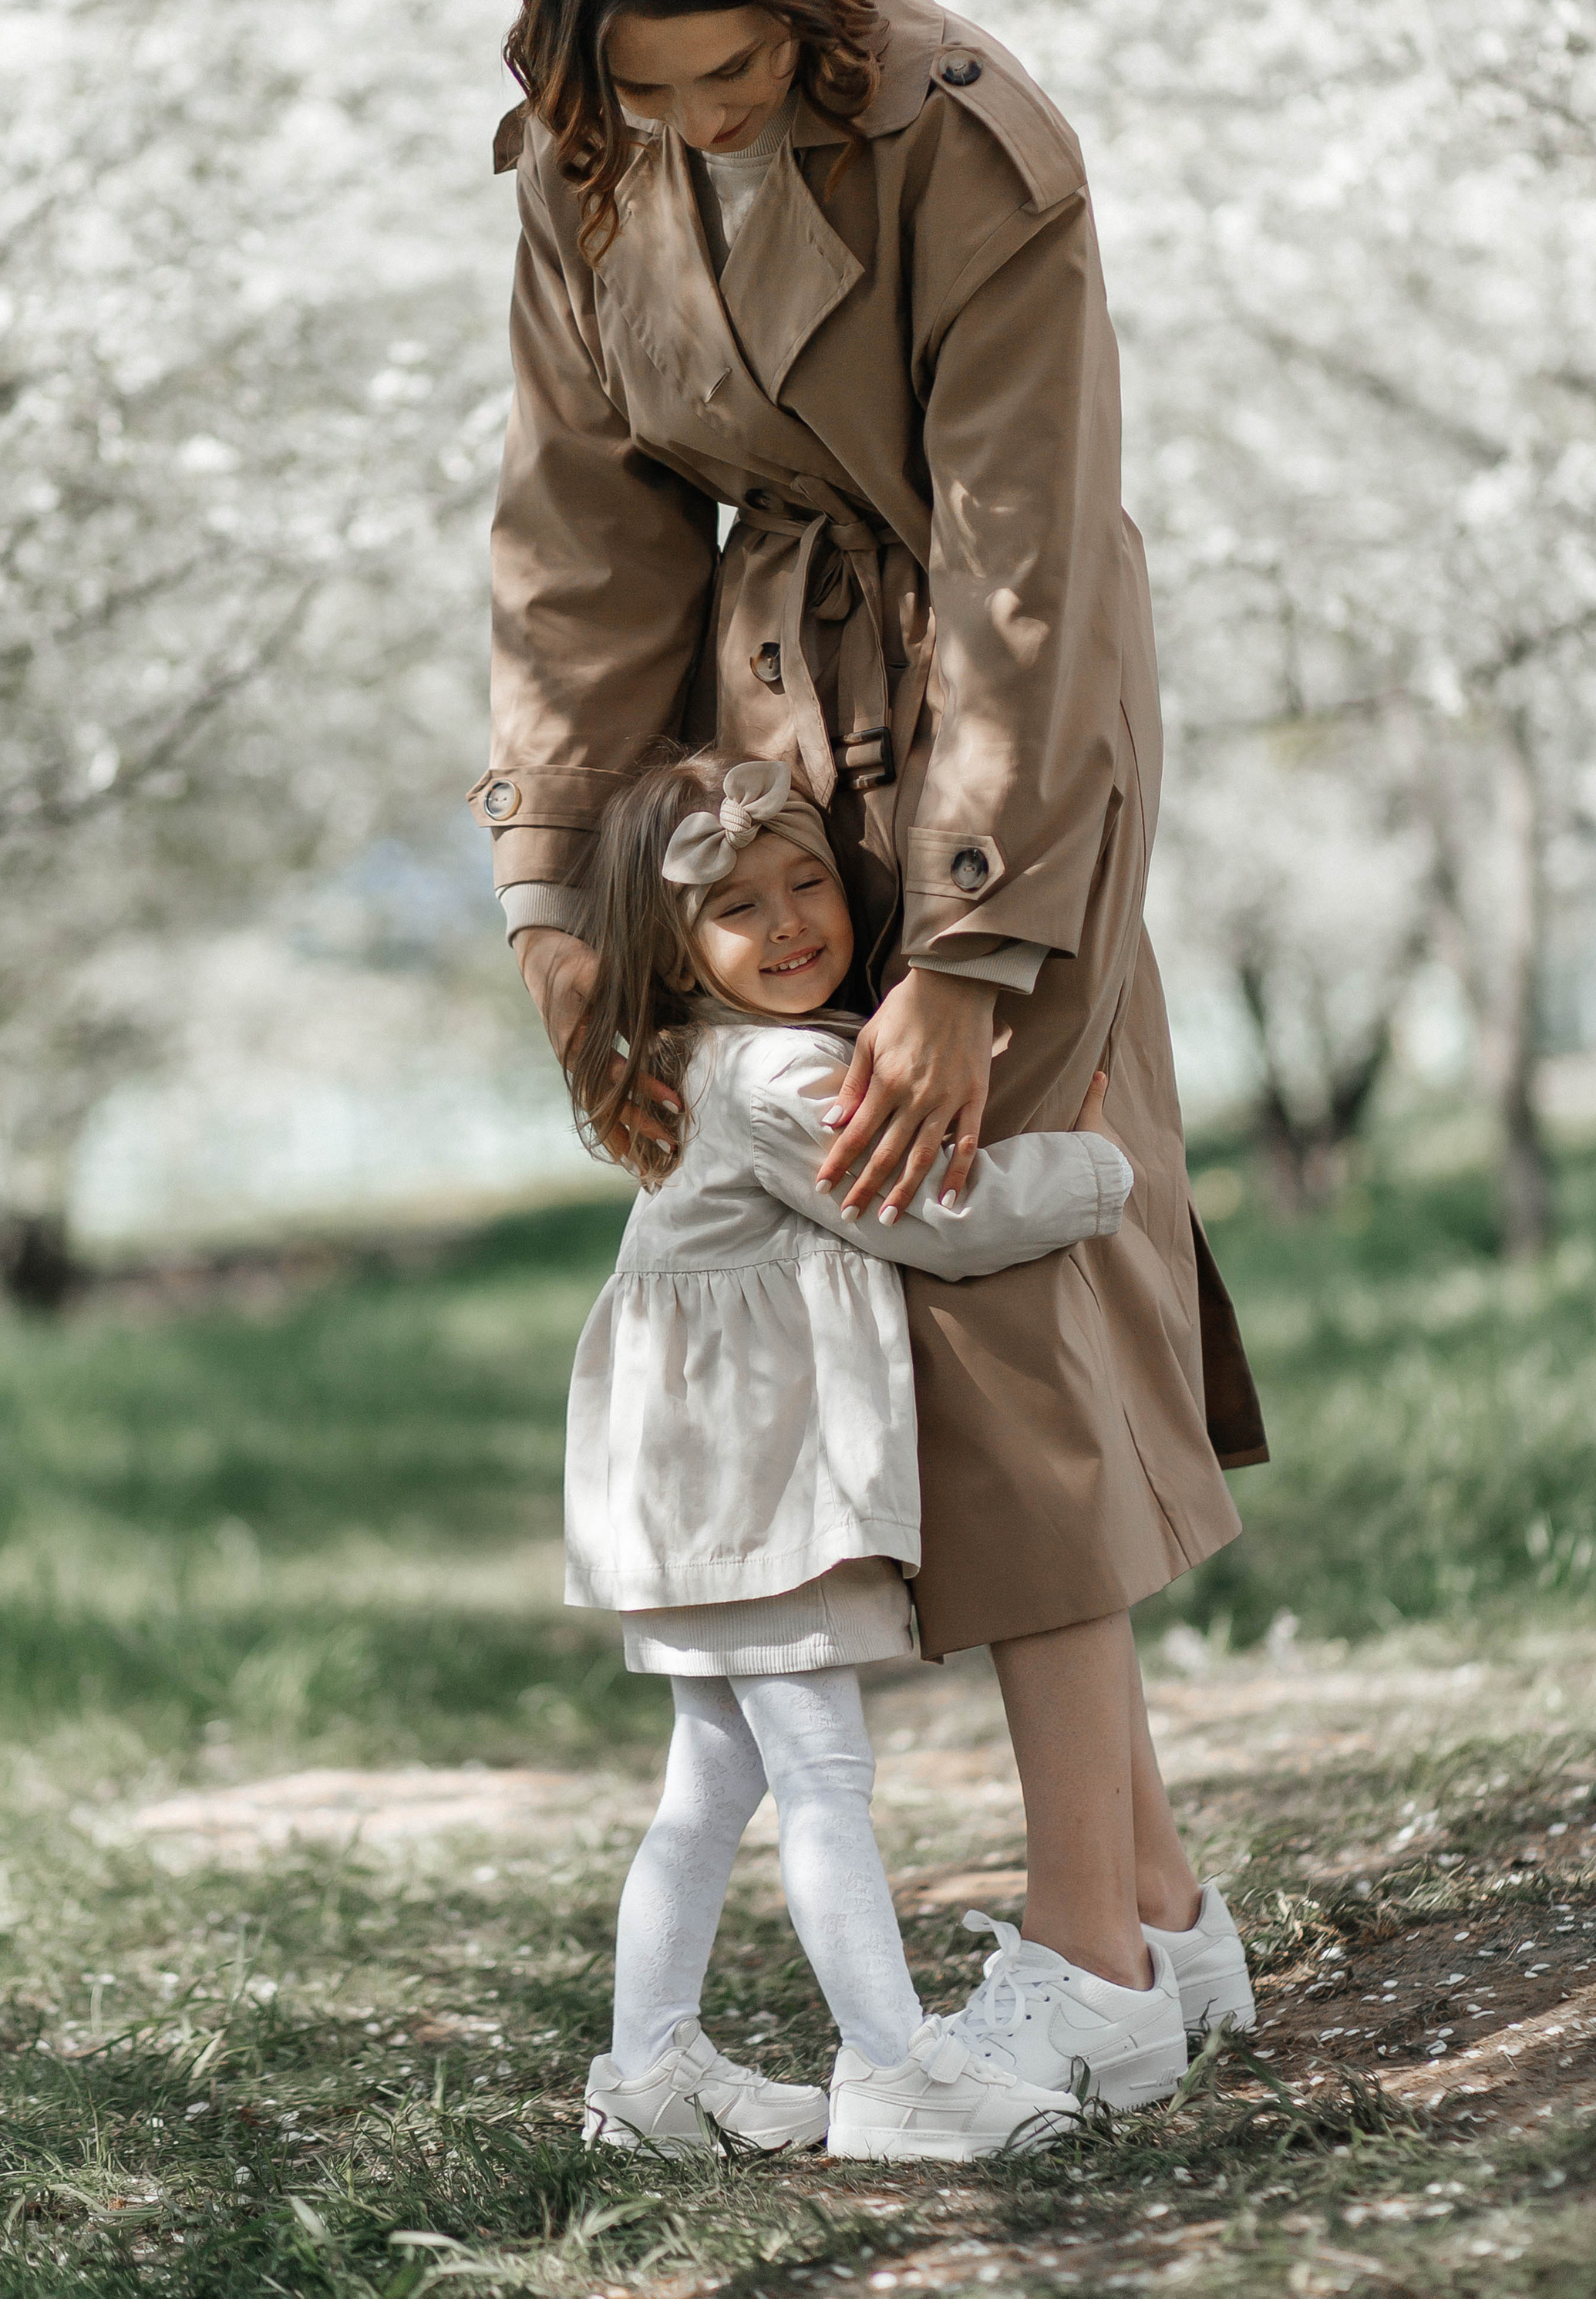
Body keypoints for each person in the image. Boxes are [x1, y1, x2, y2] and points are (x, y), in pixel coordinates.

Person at [473, 0, 1266, 2094]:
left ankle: (1087, 1969)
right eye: (652, 90)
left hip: (1009, 724)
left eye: (729, 79)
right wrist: (564, 895)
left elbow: (1027, 559)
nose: (695, 125)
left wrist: (978, 950)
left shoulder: (974, 139)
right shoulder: (580, 163)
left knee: (990, 1272)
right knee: (892, 1306)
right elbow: (573, 538)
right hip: (761, 763)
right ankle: (1171, 1920)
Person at [565, 751, 1142, 2162]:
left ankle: (648, 2076)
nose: (787, 923)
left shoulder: (702, 1063)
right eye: (735, 908)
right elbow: (927, 1211)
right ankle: (894, 2072)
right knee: (821, 1778)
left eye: (806, 880)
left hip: (686, 1488)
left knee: (710, 1782)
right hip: (756, 1487)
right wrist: (1096, 1167)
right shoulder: (777, 1070)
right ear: (671, 945)